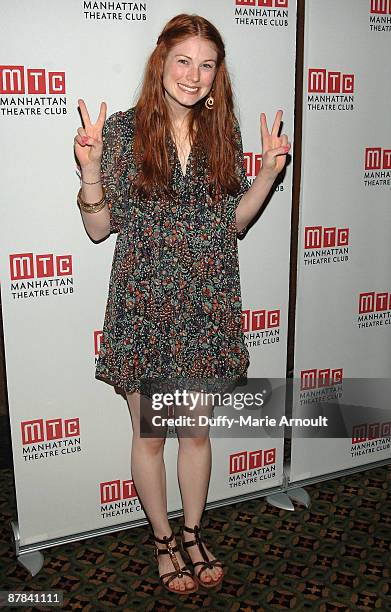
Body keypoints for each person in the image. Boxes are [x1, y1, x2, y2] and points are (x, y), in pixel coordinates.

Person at [74, 13, 290, 596]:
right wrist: (91, 169)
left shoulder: (223, 134)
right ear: (161, 62)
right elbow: (98, 229)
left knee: (195, 434)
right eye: (184, 61)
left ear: (218, 74)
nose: (194, 76)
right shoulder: (122, 132)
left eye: (207, 64)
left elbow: (233, 224)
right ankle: (164, 539)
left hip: (206, 297)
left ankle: (194, 533)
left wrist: (268, 175)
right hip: (146, 300)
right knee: (151, 435)